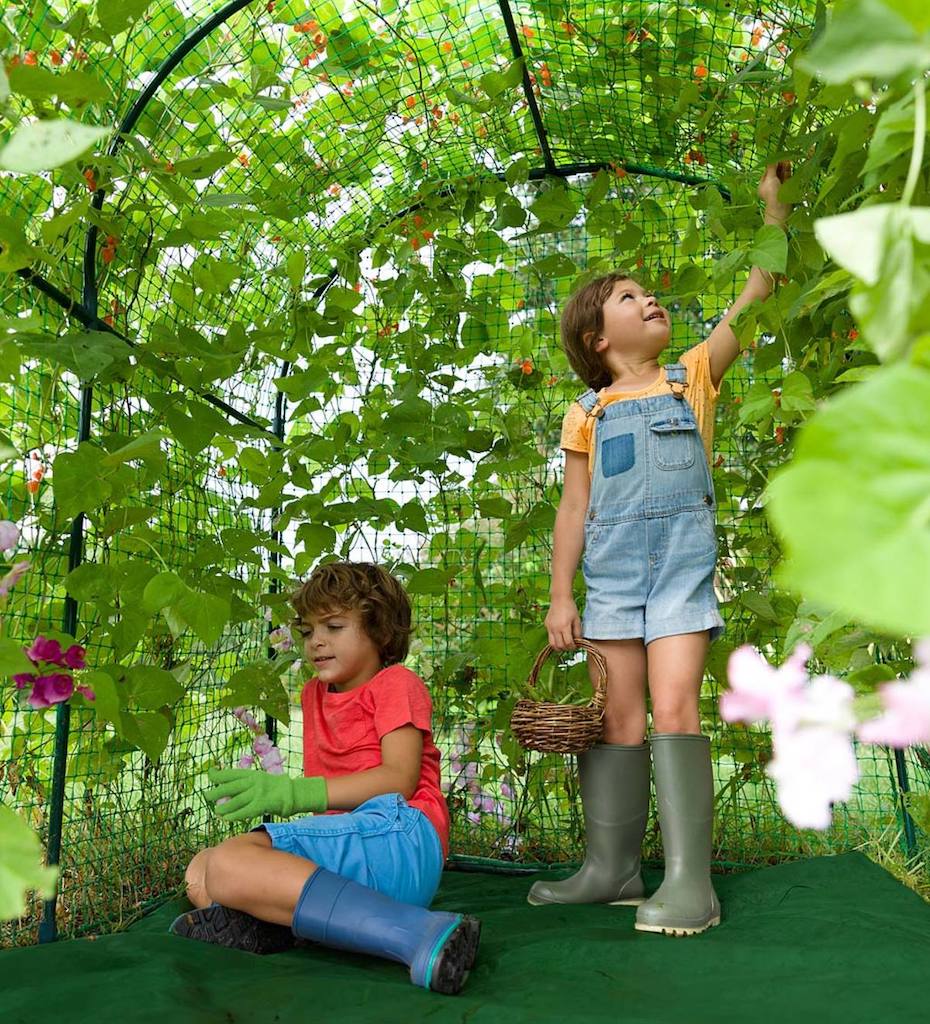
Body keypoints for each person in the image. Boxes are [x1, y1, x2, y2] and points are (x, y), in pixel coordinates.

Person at [528, 164, 792, 935]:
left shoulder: (694, 377)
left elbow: (758, 293)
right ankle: (611, 870)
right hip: (610, 585)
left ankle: (689, 887)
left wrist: (773, 207)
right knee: (618, 720)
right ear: (598, 337)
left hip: (678, 579)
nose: (650, 299)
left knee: (674, 706)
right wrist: (561, 595)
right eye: (628, 296)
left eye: (650, 293)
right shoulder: (587, 412)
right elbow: (574, 509)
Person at [171, 561, 480, 995]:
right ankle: (299, 926)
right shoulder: (314, 694)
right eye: (308, 631)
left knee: (228, 863)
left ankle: (419, 933)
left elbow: (399, 779)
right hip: (358, 851)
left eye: (334, 627)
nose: (316, 641)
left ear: (382, 632)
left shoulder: (395, 683)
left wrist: (293, 793)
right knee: (201, 870)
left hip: (403, 836)